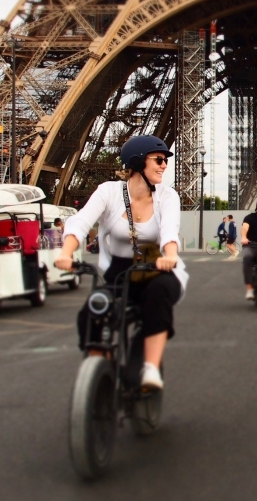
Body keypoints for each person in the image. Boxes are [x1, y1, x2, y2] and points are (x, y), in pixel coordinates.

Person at [54, 135, 189, 391]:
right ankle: (99, 374)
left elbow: (170, 230)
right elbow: (80, 222)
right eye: (159, 160)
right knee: (91, 312)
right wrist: (67, 253)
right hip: (119, 271)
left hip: (157, 270)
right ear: (138, 163)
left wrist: (170, 256)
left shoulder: (167, 196)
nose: (164, 165)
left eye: (165, 161)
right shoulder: (109, 192)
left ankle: (150, 367)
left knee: (158, 299)